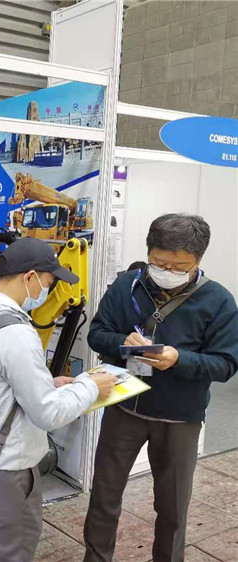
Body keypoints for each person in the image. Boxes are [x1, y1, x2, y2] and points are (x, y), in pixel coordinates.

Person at [0, 237, 116, 562]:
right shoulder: (17, 334)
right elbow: (48, 413)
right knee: (11, 551)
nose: (46, 291)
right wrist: (92, 387)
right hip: (8, 467)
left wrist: (46, 383)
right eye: (48, 283)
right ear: (29, 277)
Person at [83, 214, 238, 562]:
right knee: (104, 496)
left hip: (179, 418)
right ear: (148, 253)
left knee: (172, 507)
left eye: (179, 266)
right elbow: (96, 334)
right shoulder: (127, 286)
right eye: (159, 263)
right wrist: (122, 341)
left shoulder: (219, 301)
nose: (167, 271)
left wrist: (179, 359)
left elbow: (226, 364)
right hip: (123, 405)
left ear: (198, 259)